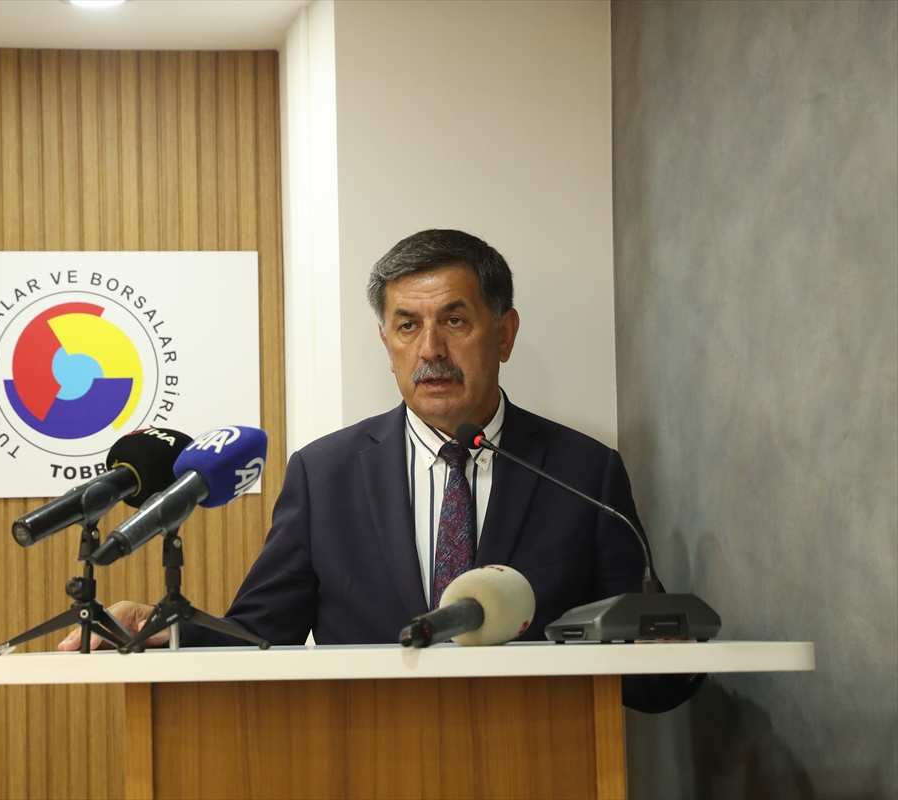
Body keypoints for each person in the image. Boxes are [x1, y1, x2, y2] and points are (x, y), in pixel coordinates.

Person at [62, 229, 701, 713]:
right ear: (386, 342)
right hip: (371, 755)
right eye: (407, 326)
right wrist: (161, 628)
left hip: (537, 760)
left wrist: (673, 658)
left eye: (455, 320)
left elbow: (643, 661)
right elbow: (259, 636)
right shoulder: (325, 475)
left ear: (504, 334)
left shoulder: (583, 471)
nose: (430, 349)